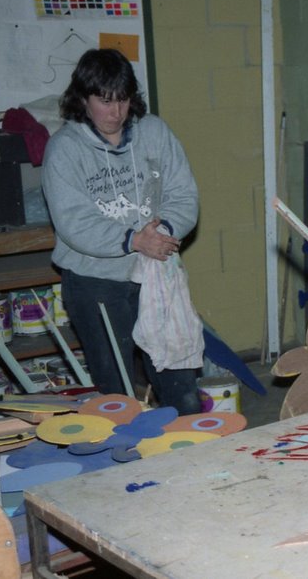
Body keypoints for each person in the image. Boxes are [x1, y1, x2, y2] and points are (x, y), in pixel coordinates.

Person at [41, 48, 202, 414]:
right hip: (95, 283)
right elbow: (73, 222)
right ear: (83, 99)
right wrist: (133, 240)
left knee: (181, 384)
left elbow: (183, 194)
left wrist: (161, 234)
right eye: (105, 101)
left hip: (156, 273)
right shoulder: (64, 149)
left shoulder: (155, 132)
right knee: (117, 395)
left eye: (123, 100)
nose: (115, 112)